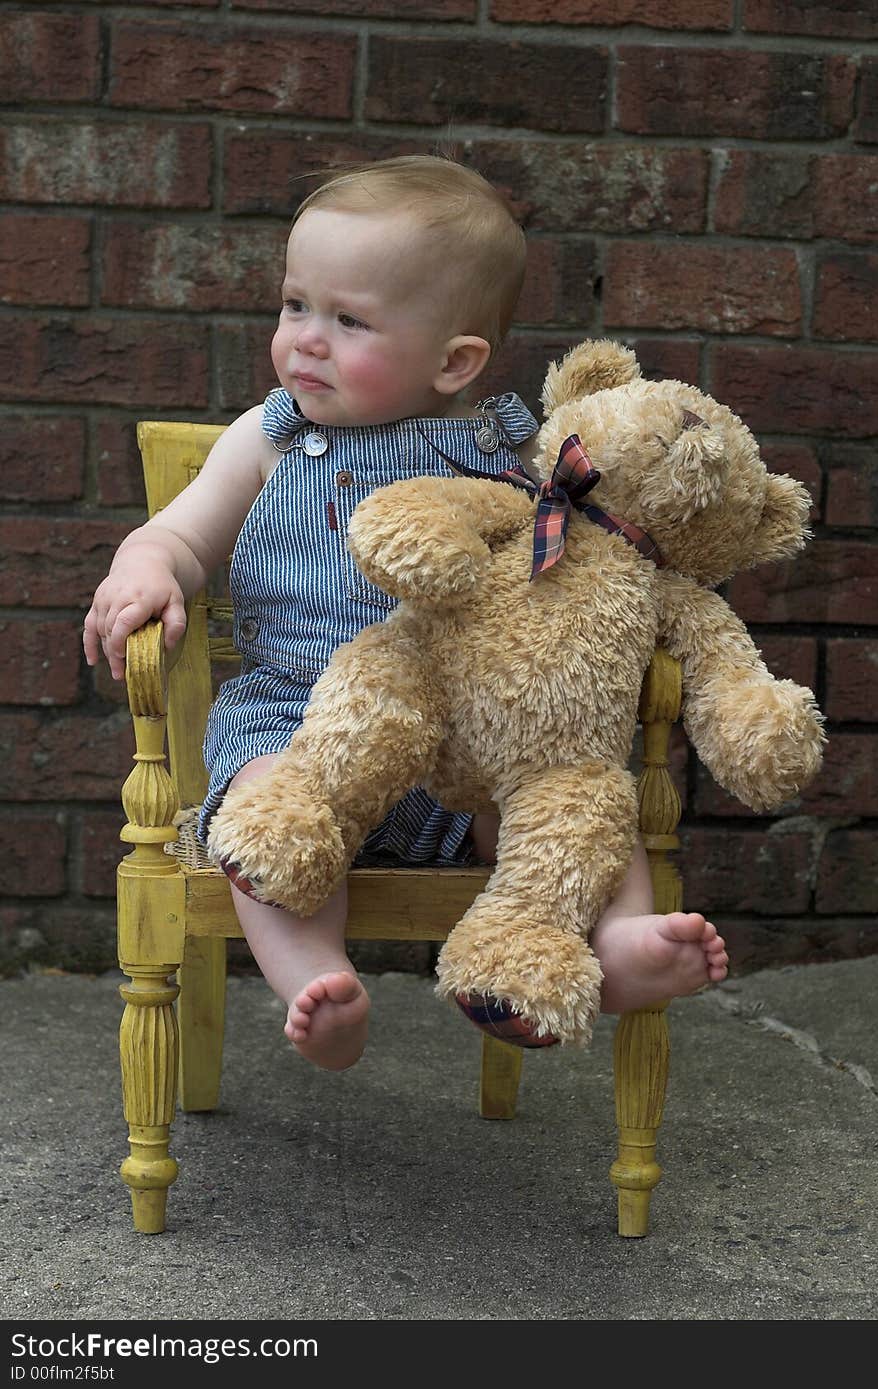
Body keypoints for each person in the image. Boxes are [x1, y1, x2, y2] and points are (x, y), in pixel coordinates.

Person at [84, 155, 727, 1071]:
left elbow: (578, 562)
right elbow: (181, 538)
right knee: (263, 820)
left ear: (454, 360)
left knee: (572, 800)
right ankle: (315, 977)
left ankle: (616, 944)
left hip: (460, 740)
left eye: (348, 320)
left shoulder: (508, 450)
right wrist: (146, 567)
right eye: (294, 305)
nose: (305, 338)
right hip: (298, 723)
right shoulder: (272, 439)